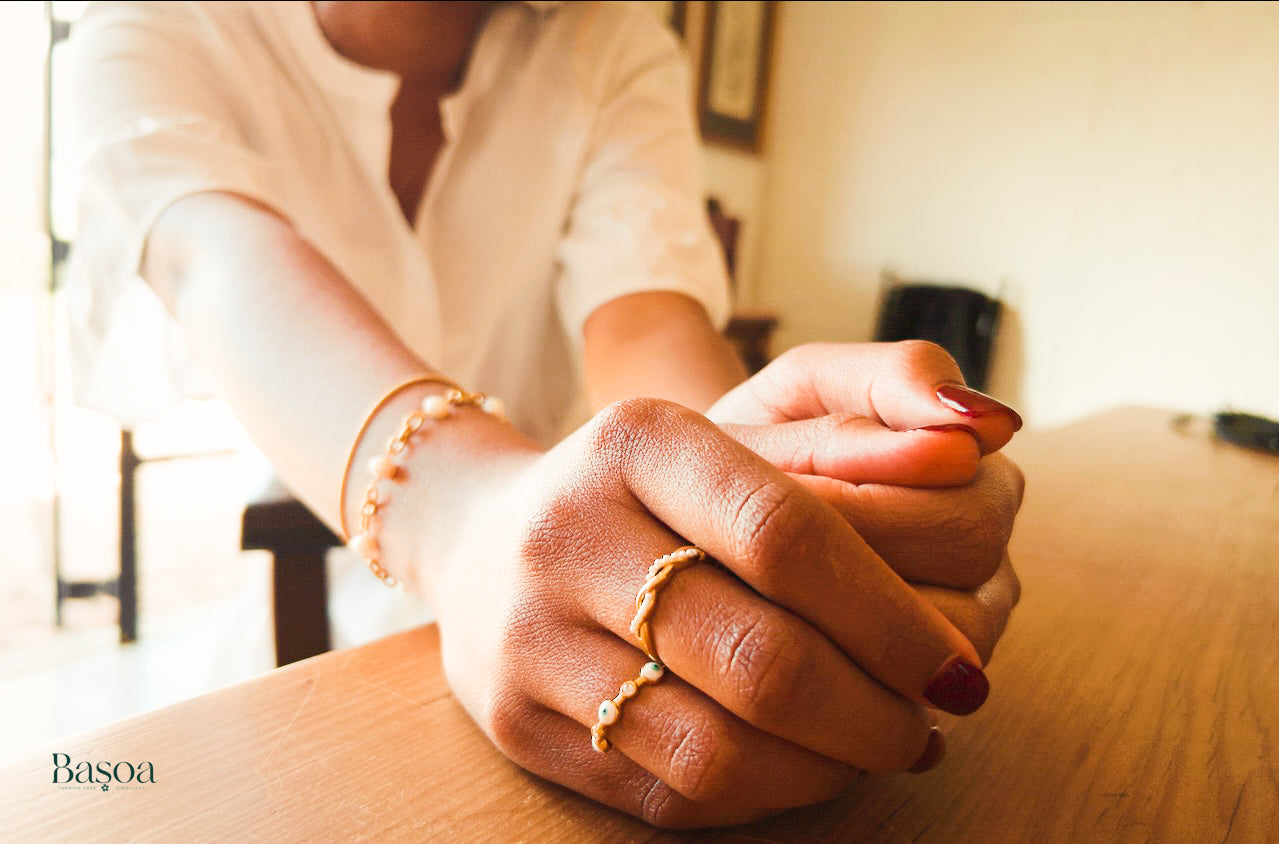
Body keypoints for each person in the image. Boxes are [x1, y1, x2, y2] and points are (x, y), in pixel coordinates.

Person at [64, 0, 1024, 828]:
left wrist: (756, 490)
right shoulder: (153, 24)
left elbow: (643, 311)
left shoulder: (612, 42)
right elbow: (219, 263)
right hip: (333, 632)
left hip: (597, 591)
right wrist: (469, 522)